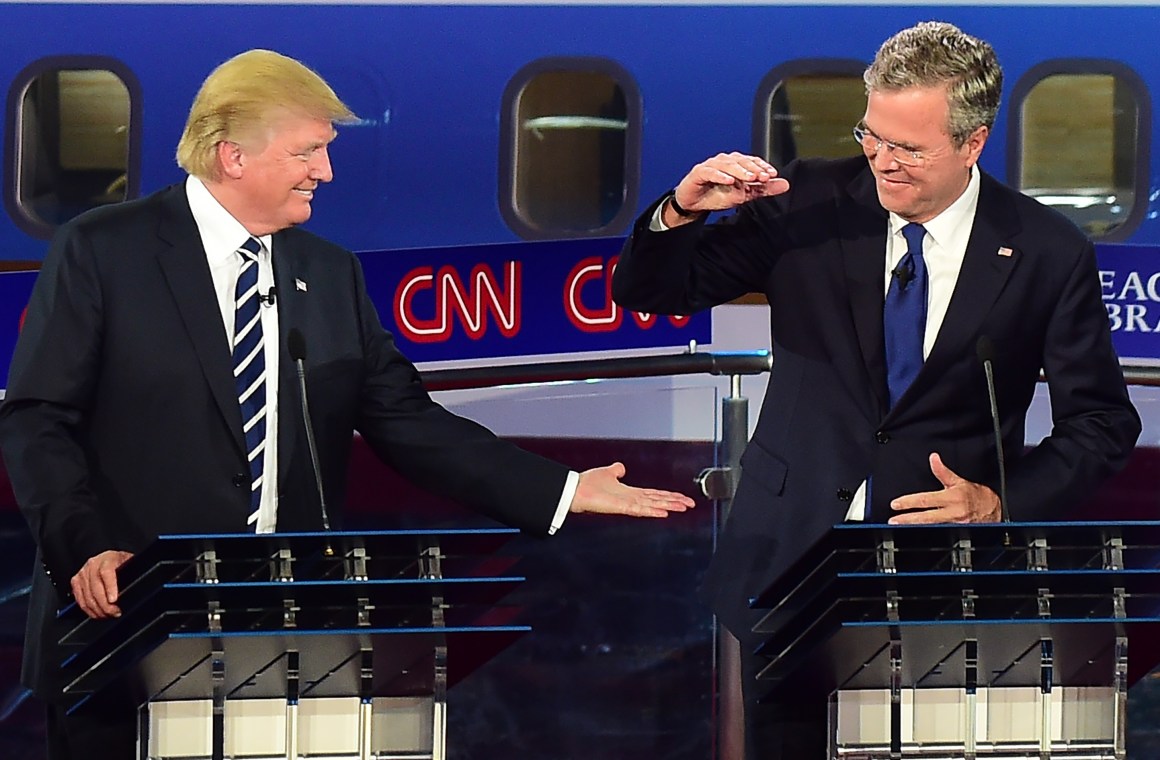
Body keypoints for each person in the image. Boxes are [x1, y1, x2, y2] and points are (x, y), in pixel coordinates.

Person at [0, 49, 694, 760]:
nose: (325, 172)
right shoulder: (104, 251)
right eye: (307, 152)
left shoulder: (327, 273)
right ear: (232, 156)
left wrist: (566, 490)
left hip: (283, 639)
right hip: (124, 626)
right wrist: (84, 547)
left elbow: (409, 423)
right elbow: (36, 418)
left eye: (324, 152)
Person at [612, 21, 1140, 759]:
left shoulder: (1046, 252)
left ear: (973, 142)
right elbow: (650, 291)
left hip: (948, 588)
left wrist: (1000, 501)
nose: (883, 163)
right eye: (872, 136)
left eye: (910, 149)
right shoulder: (811, 204)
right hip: (786, 569)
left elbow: (1101, 425)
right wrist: (680, 211)